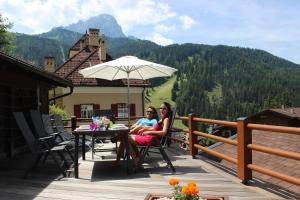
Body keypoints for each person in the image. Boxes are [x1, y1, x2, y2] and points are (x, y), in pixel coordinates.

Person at [116, 102, 172, 168]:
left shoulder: (166, 119)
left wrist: (148, 132)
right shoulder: (162, 119)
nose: (162, 110)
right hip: (150, 137)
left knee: (125, 138)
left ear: (168, 110)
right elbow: (154, 128)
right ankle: (137, 157)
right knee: (126, 138)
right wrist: (144, 128)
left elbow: (164, 132)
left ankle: (135, 160)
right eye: (161, 108)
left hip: (152, 139)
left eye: (164, 108)